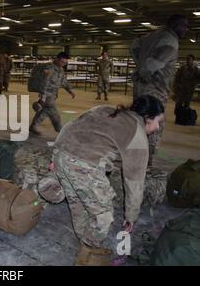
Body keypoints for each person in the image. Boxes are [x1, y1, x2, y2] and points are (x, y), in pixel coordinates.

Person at [52, 95, 165, 266]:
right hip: (84, 165)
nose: (157, 128)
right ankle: (87, 255)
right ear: (147, 118)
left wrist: (57, 156)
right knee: (103, 216)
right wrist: (131, 217)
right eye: (158, 122)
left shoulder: (106, 109)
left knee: (79, 204)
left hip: (61, 154)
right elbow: (134, 183)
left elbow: (71, 125)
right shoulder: (138, 135)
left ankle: (87, 243)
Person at [130, 14, 189, 166]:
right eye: (183, 25)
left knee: (138, 121)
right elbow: (153, 64)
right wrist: (144, 71)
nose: (186, 29)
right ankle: (145, 163)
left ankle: (133, 156)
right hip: (155, 89)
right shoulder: (171, 40)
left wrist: (139, 64)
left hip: (140, 88)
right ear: (174, 25)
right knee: (153, 125)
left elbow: (134, 46)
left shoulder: (151, 35)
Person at [29, 52, 75, 135]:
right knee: (54, 112)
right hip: (47, 94)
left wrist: (70, 90)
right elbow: (44, 82)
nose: (63, 64)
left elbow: (63, 81)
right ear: (57, 59)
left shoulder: (60, 69)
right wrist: (43, 96)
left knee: (45, 111)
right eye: (62, 62)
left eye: (65, 63)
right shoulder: (49, 68)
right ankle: (60, 129)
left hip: (53, 94)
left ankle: (33, 126)